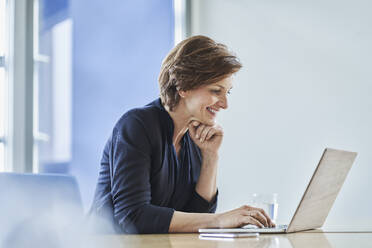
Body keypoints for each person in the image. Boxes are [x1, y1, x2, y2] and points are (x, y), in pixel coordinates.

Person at [89, 35, 275, 234]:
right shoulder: (137, 125)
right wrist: (221, 219)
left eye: (227, 92)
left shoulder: (193, 135)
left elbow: (197, 215)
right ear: (183, 87)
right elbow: (133, 217)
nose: (225, 104)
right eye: (215, 91)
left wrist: (210, 155)